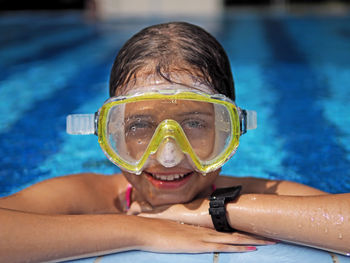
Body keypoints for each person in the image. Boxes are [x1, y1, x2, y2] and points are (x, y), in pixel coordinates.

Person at [0, 22, 349, 263]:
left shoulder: (250, 192)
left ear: (229, 131)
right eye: (140, 125)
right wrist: (137, 230)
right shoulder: (91, 196)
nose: (168, 155)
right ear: (111, 133)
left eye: (194, 123)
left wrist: (215, 210)